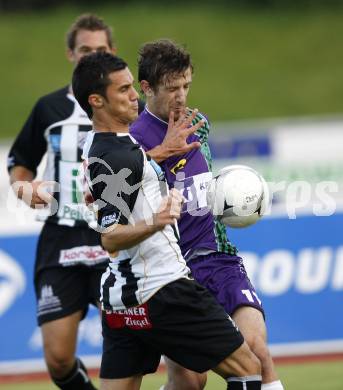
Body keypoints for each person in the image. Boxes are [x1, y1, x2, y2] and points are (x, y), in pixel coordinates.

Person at [74, 51, 262, 390]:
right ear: (96, 100)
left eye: (132, 87)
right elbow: (110, 237)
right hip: (164, 288)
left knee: (188, 382)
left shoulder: (101, 144)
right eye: (124, 90)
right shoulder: (119, 154)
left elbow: (130, 167)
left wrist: (162, 151)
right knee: (248, 368)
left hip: (120, 297)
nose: (134, 96)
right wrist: (158, 220)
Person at [130, 39, 284, 390]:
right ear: (147, 88)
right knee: (189, 380)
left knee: (258, 353)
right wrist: (160, 154)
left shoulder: (197, 123)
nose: (181, 96)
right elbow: (119, 191)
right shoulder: (134, 141)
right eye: (172, 88)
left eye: (186, 85)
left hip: (219, 259)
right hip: (175, 272)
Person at [7, 14, 143, 390]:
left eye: (100, 49)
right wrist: (25, 190)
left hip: (113, 240)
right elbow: (18, 164)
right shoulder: (48, 108)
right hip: (61, 240)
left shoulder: (130, 106)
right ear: (71, 54)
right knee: (58, 359)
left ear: (112, 52)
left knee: (133, 344)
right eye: (85, 50)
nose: (92, 55)